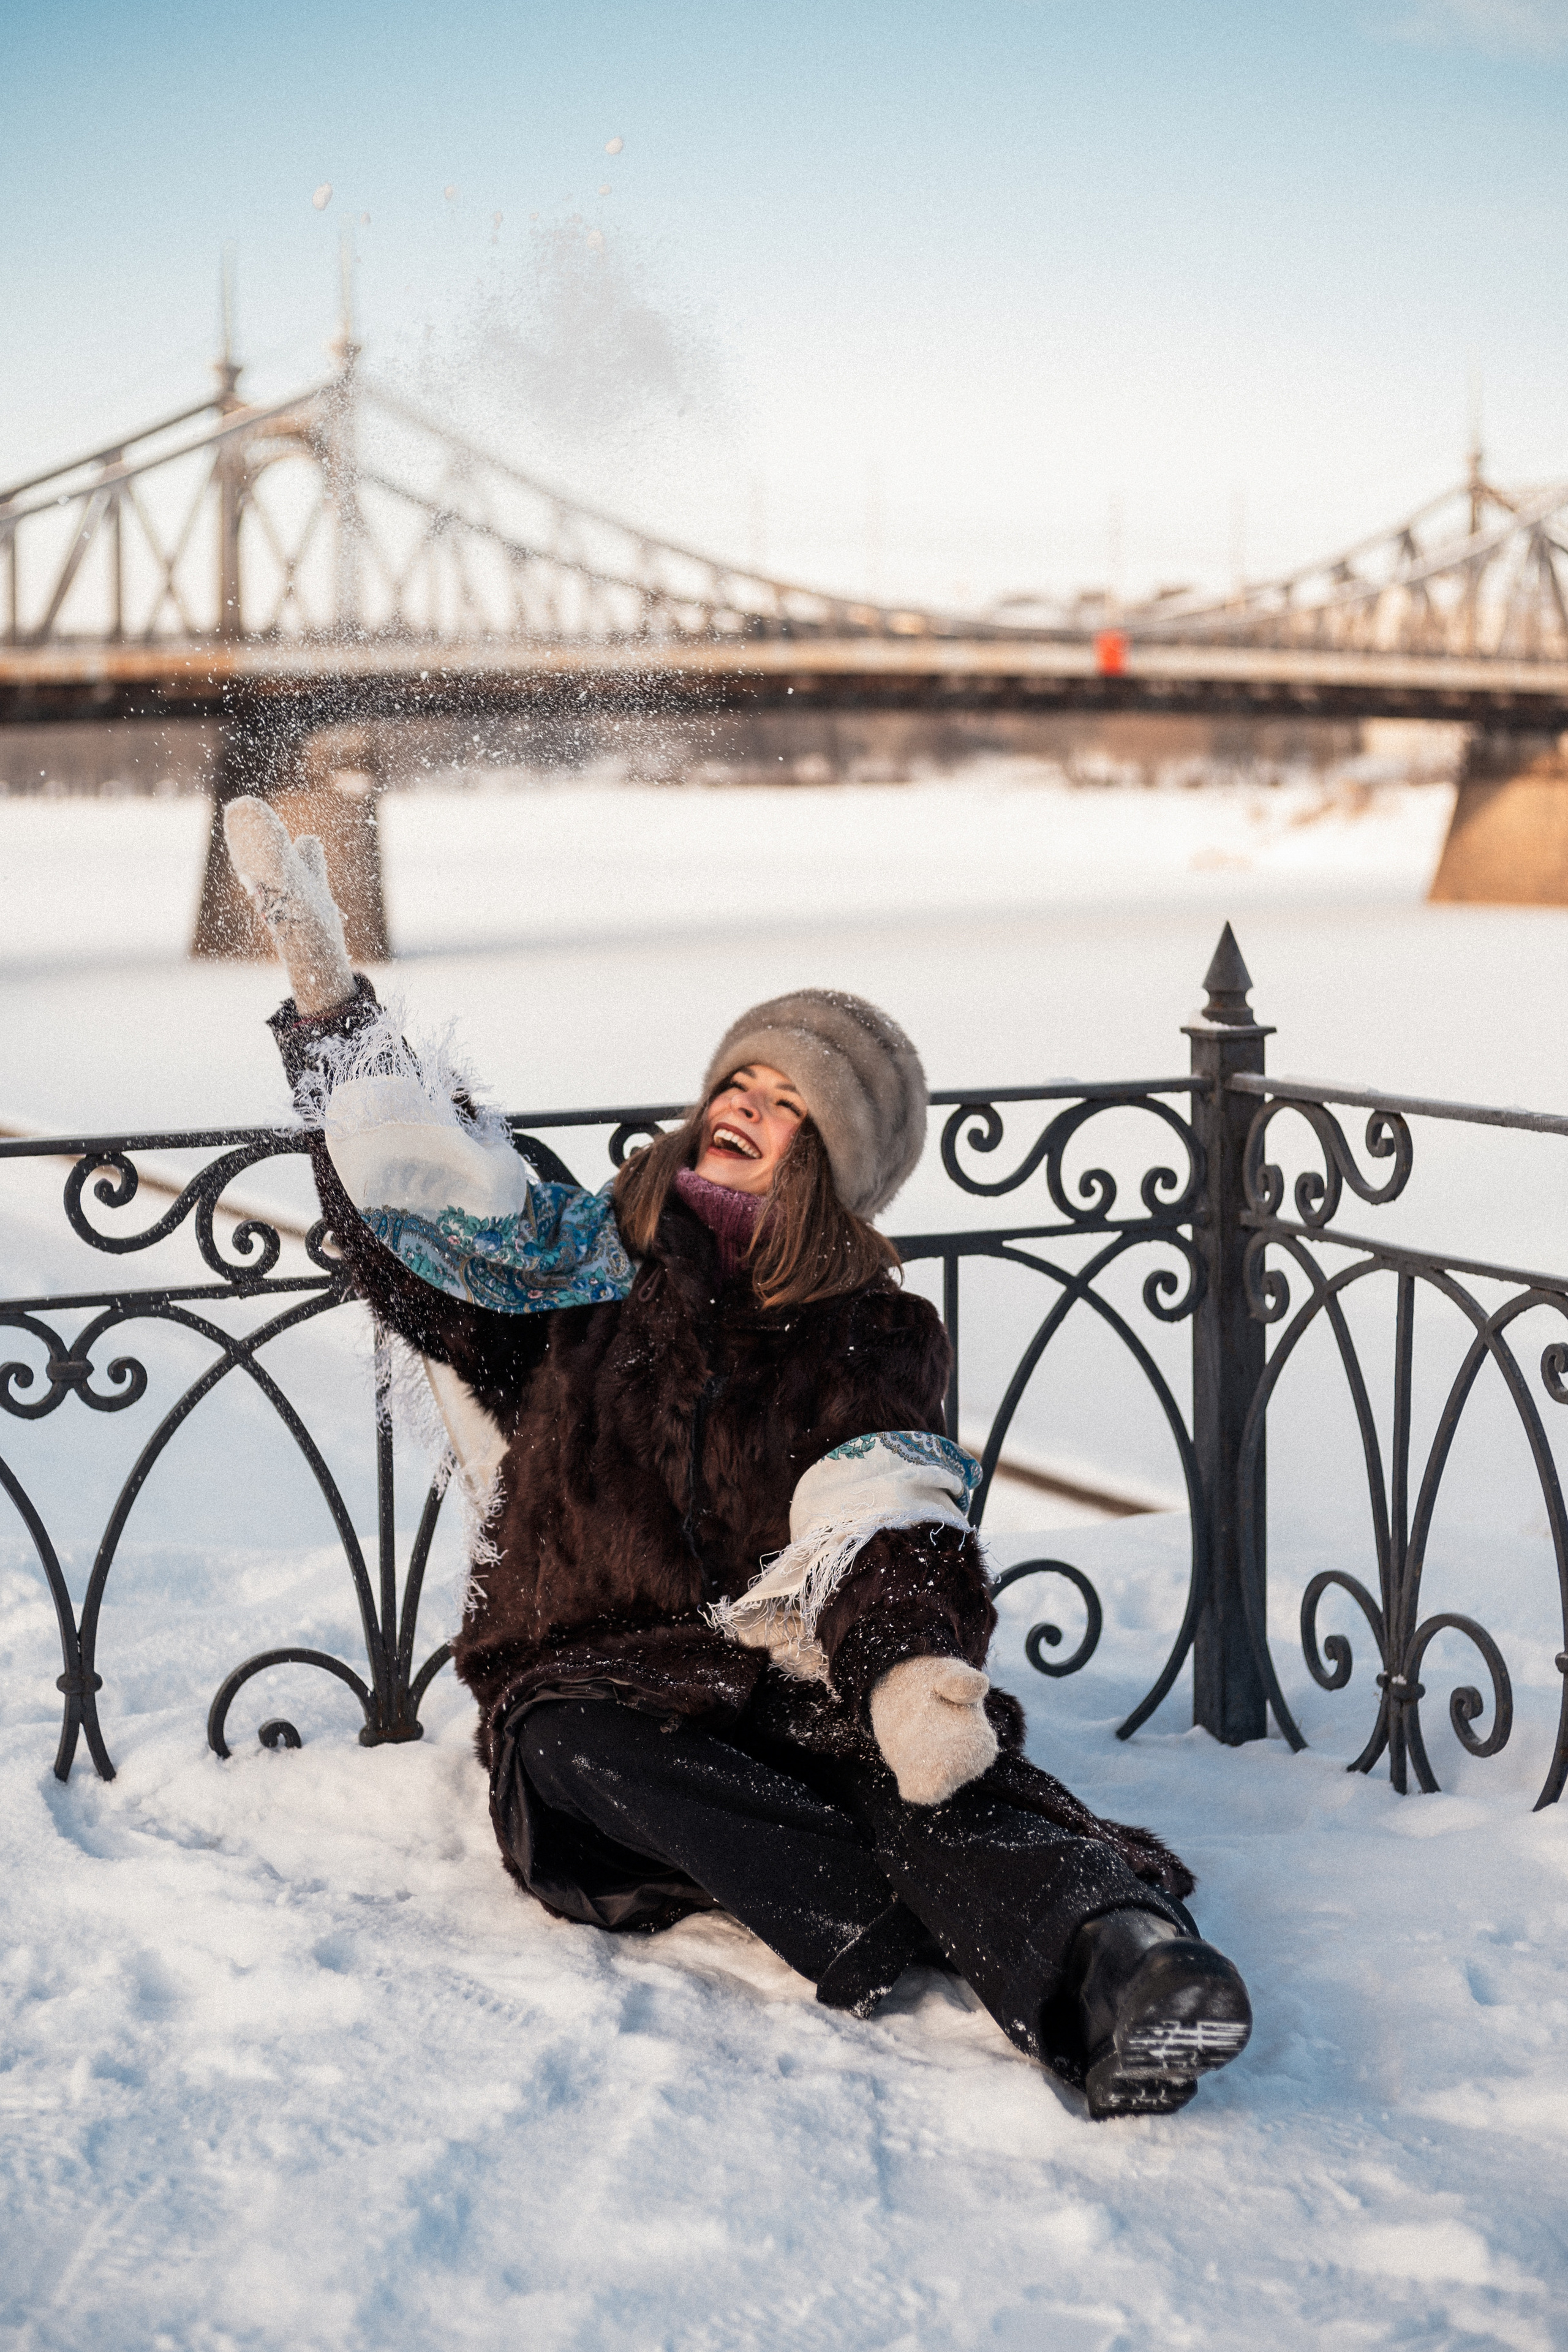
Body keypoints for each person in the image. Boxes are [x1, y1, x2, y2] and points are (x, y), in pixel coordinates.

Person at [224, 796, 1253, 2119]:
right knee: (584, 1751)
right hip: (599, 1693)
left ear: (831, 1159)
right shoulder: (576, 1263)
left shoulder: (868, 1329)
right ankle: (950, 1926)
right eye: (736, 1083)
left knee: (932, 1775)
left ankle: (1128, 1973)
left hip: (787, 1679)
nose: (742, 1110)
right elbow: (419, 1227)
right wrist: (335, 1024)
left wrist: (911, 1676)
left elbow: (882, 1507)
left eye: (785, 1104)